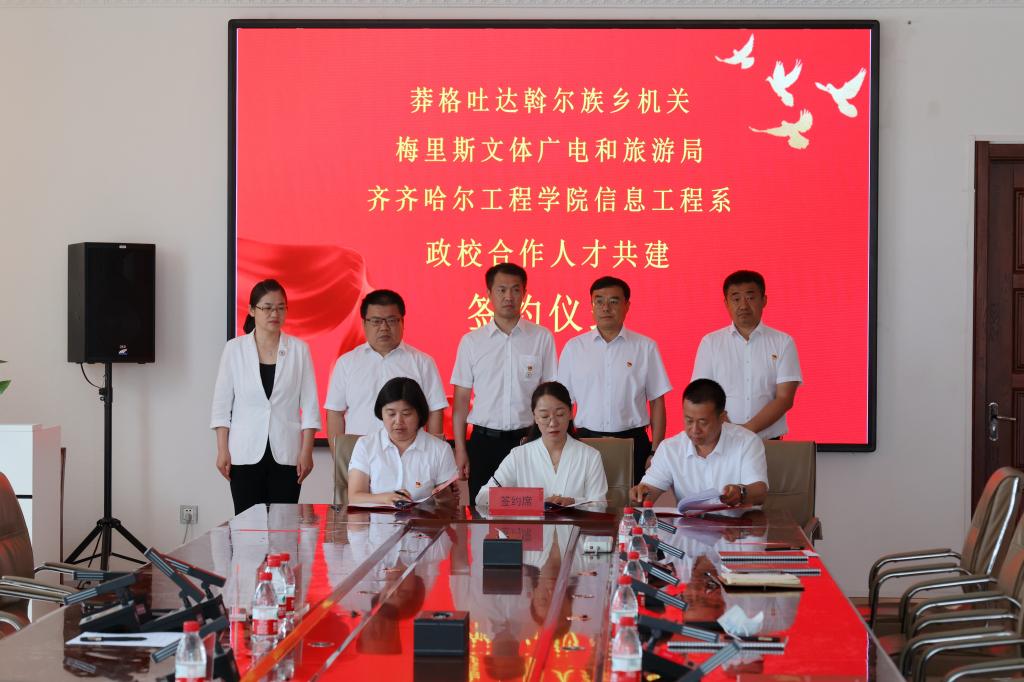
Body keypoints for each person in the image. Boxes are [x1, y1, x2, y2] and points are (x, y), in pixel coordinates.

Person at [211, 279, 320, 515]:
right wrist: (222, 450)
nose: (274, 314)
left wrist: (307, 451)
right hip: (244, 453)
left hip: (287, 453)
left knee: (284, 526)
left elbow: (310, 406)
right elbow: (221, 406)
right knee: (246, 526)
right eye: (267, 307)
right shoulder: (234, 349)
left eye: (281, 308)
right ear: (252, 310)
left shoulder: (299, 350)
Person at [452, 263, 557, 501]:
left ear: (524, 293)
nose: (508, 296)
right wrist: (460, 450)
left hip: (529, 441)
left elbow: (550, 396)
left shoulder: (541, 338)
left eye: (515, 289)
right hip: (484, 443)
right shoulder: (471, 342)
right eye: (501, 290)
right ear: (489, 294)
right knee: (482, 511)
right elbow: (461, 401)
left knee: (532, 511)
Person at [557, 276, 671, 484]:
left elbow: (657, 402)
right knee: (586, 501)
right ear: (592, 306)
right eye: (599, 301)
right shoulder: (574, 348)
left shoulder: (645, 347)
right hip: (585, 442)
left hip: (634, 443)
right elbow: (563, 404)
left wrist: (655, 451)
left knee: (632, 502)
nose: (605, 307)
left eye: (614, 301)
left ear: (627, 306)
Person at [691, 270, 802, 440]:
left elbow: (784, 398)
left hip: (768, 442)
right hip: (722, 440)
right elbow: (702, 394)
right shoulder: (710, 343)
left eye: (750, 297)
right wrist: (731, 431)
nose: (743, 305)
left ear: (764, 300)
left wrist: (746, 430)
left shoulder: (783, 342)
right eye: (736, 299)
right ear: (726, 303)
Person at [324, 289, 447, 440]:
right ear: (364, 323)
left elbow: (435, 411)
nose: (384, 328)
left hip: (410, 452)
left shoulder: (423, 362)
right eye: (376, 321)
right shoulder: (346, 363)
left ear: (402, 322)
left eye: (391, 320)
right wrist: (339, 452)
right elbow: (335, 413)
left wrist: (433, 450)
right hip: (359, 451)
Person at [630, 379, 768, 508]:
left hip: (738, 524)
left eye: (703, 422)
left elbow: (760, 491)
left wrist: (741, 492)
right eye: (689, 420)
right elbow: (650, 489)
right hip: (688, 524)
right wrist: (641, 494)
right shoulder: (669, 448)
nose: (695, 429)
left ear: (722, 417)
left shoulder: (747, 442)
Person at [475, 382, 608, 507]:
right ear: (535, 417)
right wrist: (532, 500)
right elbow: (482, 498)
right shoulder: (519, 456)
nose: (553, 423)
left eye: (560, 414)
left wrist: (573, 502)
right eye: (544, 416)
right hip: (530, 525)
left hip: (576, 525)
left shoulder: (590, 456)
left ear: (570, 413)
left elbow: (600, 505)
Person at [347, 377, 459, 507]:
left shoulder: (440, 449)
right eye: (391, 414)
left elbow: (450, 504)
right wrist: (387, 498)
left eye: (406, 414)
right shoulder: (365, 445)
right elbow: (355, 497)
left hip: (423, 519)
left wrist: (444, 498)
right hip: (375, 519)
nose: (398, 421)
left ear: (419, 414)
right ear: (381, 413)